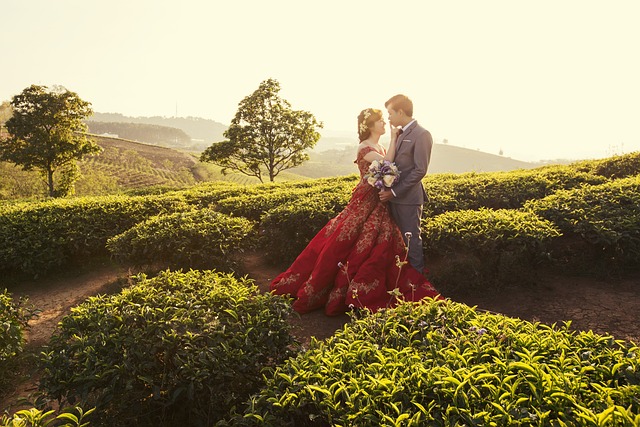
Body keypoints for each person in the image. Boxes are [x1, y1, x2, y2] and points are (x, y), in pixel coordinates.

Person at [270, 108, 441, 316]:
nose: (384, 123)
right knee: (348, 239)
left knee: (378, 241)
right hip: (365, 199)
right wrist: (395, 138)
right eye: (380, 121)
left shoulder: (378, 145)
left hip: (377, 201)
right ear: (369, 126)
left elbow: (390, 164)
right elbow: (387, 162)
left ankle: (402, 279)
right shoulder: (365, 147)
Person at [379, 94, 433, 274]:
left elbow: (420, 170)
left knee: (411, 242)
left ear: (401, 112)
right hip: (393, 199)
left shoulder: (422, 134)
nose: (388, 118)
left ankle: (417, 284)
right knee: (397, 243)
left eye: (390, 113)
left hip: (408, 199)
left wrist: (394, 192)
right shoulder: (400, 133)